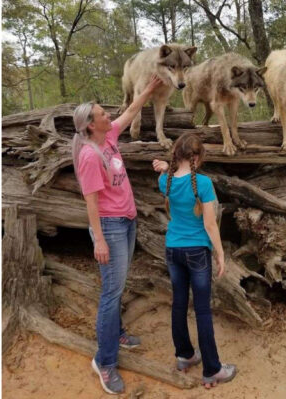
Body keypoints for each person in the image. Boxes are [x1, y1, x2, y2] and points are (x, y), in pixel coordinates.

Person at [71, 76, 164, 395]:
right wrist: (98, 239)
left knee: (118, 285)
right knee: (111, 292)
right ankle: (105, 361)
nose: (108, 115)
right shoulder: (88, 156)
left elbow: (129, 111)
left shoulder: (108, 137)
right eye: (102, 114)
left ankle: (118, 332)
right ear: (90, 125)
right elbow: (91, 203)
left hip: (127, 221)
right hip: (109, 227)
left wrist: (148, 91)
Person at [151, 132, 237, 388]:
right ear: (197, 157)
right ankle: (212, 369)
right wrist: (220, 253)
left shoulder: (163, 181)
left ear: (176, 154)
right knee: (202, 310)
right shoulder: (203, 184)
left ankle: (184, 355)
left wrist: (167, 167)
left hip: (173, 250)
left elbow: (171, 175)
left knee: (179, 303)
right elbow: (210, 224)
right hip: (197, 251)